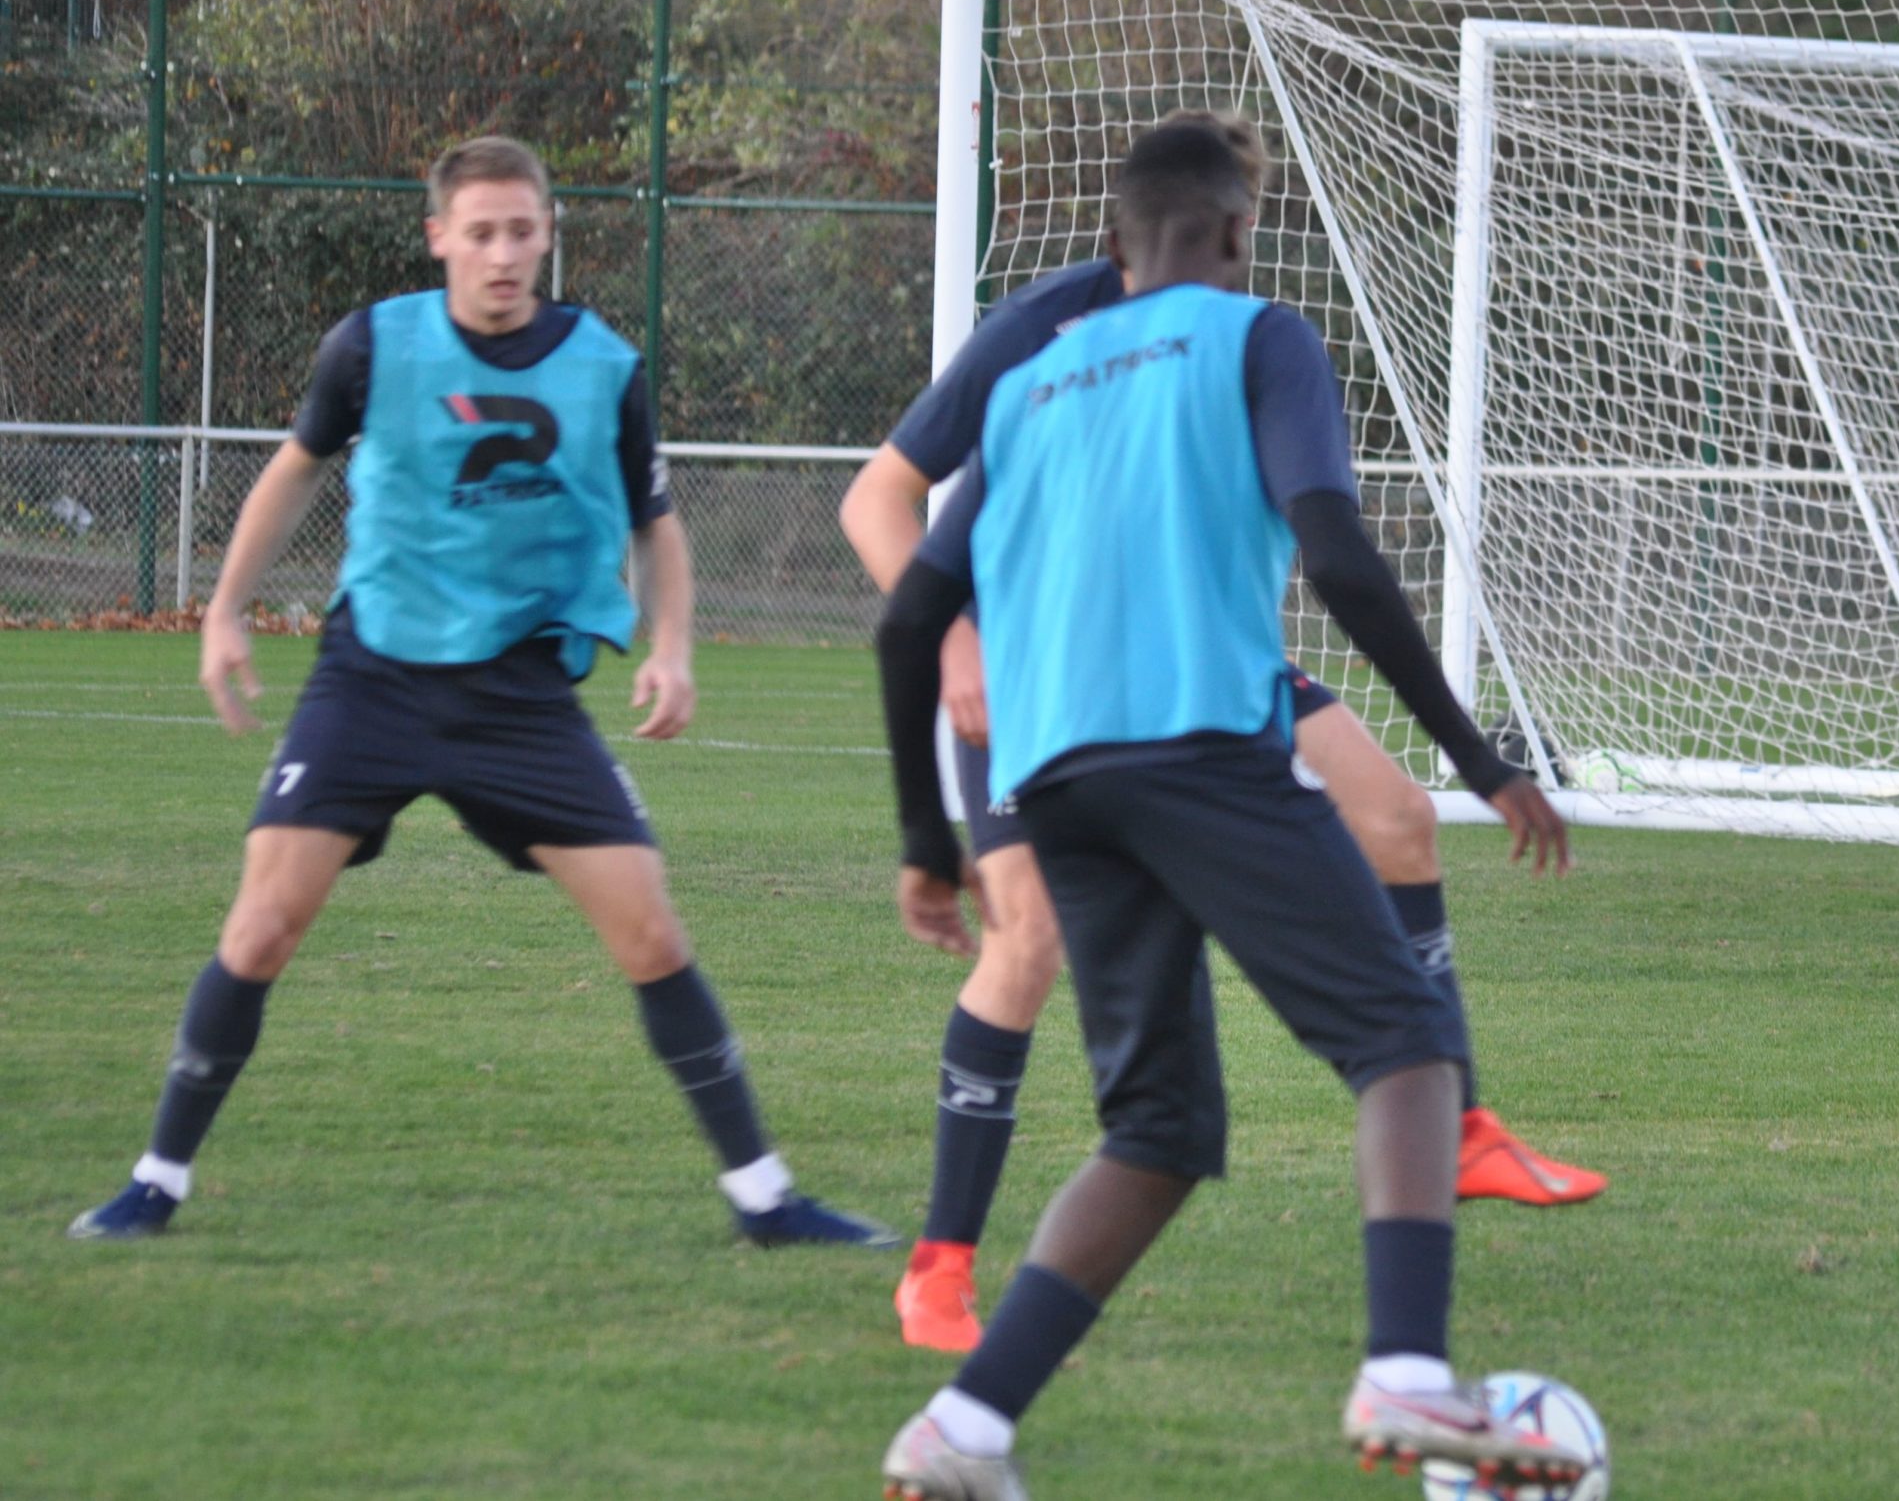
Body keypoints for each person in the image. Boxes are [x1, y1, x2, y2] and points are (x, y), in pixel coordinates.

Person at [871, 120, 1585, 1500]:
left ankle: (961, 1431)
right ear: (1242, 231)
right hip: (1198, 749)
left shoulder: (1027, 385)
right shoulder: (1263, 338)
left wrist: (925, 841)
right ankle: (1408, 1376)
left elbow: (910, 624)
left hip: (1055, 782)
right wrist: (1478, 756)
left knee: (1158, 1132)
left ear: (1112, 241)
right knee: (1406, 1041)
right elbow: (1337, 553)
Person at [68, 136, 896, 1246]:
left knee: (649, 930)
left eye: (522, 231)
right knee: (263, 922)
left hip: (518, 697)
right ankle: (154, 1181)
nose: (503, 255)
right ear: (439, 238)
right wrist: (223, 607)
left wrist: (674, 643)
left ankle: (767, 1198)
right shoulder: (371, 344)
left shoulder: (602, 363)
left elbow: (657, 521)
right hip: (374, 680)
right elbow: (295, 467)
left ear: (549, 234)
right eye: (482, 232)